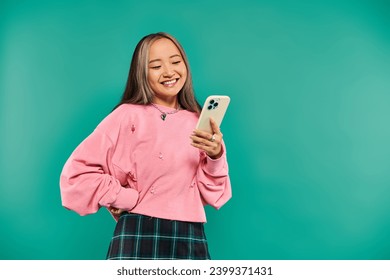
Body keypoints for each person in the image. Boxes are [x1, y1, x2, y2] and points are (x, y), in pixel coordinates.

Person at [59, 32, 232, 260]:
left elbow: (215, 194)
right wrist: (124, 197)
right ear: (142, 73)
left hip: (190, 233)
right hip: (138, 230)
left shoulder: (198, 121)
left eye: (175, 61)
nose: (169, 72)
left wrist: (215, 156)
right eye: (156, 66)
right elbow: (76, 175)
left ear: (185, 66)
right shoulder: (126, 115)